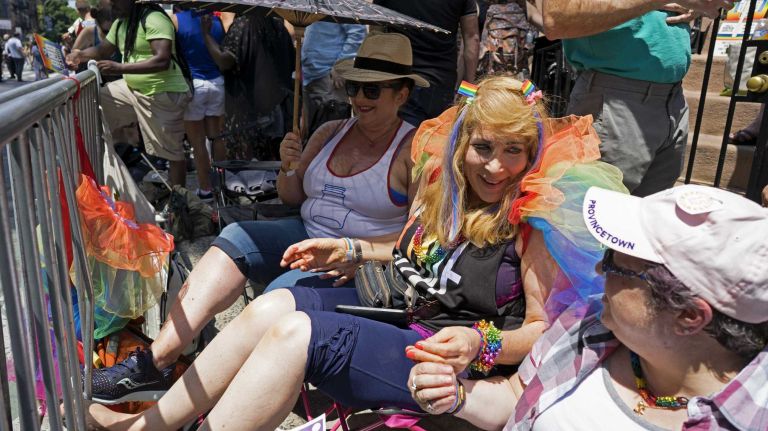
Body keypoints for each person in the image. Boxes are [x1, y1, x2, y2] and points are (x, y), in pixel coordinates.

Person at [81, 71, 629, 430]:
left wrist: (478, 343)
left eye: (516, 151)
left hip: (446, 363)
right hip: (400, 315)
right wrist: (352, 251)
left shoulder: (532, 216)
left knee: (296, 332)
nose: (497, 167)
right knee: (271, 307)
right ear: (462, 145)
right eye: (484, 148)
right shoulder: (445, 193)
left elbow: (543, 328)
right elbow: (417, 259)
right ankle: (148, 426)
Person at [86, 32, 427, 404]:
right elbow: (291, 196)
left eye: (373, 91)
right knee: (234, 236)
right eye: (354, 87)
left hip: (354, 261)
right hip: (305, 231)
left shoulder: (414, 152)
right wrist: (288, 166)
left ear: (402, 94)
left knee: (280, 291)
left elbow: (421, 238)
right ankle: (155, 362)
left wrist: (354, 250)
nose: (359, 99)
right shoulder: (332, 131)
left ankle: (206, 397)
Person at [409, 184, 768, 430]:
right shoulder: (591, 322)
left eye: (614, 265)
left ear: (689, 315)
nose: (599, 269)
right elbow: (517, 394)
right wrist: (455, 396)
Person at [538, 0, 731, 196]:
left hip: (671, 101)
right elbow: (557, 18)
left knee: (644, 219)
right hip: (614, 101)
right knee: (593, 217)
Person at [66, 0, 191, 187]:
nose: (111, 7)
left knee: (172, 154)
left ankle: (180, 204)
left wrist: (120, 67)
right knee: (91, 102)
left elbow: (162, 60)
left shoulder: (154, 18)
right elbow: (103, 49)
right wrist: (80, 55)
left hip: (162, 93)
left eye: (114, 2)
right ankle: (103, 168)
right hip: (131, 89)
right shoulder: (121, 22)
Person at [373, 0, 480, 127]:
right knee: (436, 141)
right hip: (441, 84)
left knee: (401, 141)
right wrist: (468, 92)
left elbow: (376, 34)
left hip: (400, 81)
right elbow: (472, 38)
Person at [172, 8, 226, 201]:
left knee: (198, 143)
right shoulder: (216, 20)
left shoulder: (176, 20)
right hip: (217, 82)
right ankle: (223, 186)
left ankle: (206, 189)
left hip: (193, 85)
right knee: (217, 138)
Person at [301, 21, 366, 137]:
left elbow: (357, 33)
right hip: (309, 74)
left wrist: (341, 64)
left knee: (332, 131)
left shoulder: (340, 3)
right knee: (312, 132)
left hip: (330, 76)